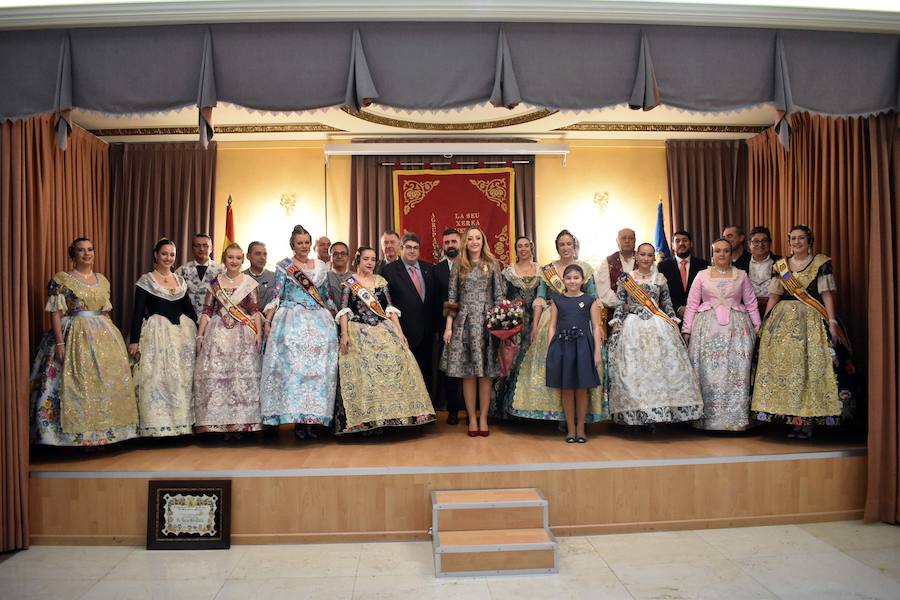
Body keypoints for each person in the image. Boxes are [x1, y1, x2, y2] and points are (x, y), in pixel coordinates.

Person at [30, 237, 139, 446]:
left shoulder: (102, 279)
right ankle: (73, 437)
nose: (87, 254)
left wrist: (113, 342)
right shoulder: (62, 279)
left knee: (105, 381)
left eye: (90, 249)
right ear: (73, 254)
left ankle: (107, 433)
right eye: (81, 250)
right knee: (76, 381)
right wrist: (60, 343)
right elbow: (55, 312)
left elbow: (106, 312)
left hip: (103, 334)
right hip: (74, 332)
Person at [751, 225, 847, 438]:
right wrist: (765, 323)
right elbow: (775, 295)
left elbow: (827, 294)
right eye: (793, 238)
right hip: (783, 320)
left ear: (809, 240)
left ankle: (809, 421)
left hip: (812, 320)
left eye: (801, 238)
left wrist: (832, 321)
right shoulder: (781, 265)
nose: (796, 242)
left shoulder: (821, 263)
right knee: (787, 372)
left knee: (808, 369)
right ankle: (792, 418)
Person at [335, 247, 435, 434]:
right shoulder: (349, 282)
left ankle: (397, 415)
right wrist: (345, 334)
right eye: (366, 259)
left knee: (398, 358)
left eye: (373, 259)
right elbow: (344, 310)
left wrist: (400, 332)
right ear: (358, 260)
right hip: (359, 329)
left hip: (382, 328)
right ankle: (367, 420)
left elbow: (389, 308)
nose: (370, 263)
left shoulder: (380, 281)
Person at [511, 230, 607, 424]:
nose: (565, 248)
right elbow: (539, 298)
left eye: (569, 244)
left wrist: (600, 326)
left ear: (574, 246)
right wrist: (536, 326)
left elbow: (593, 298)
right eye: (561, 244)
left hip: (581, 321)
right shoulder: (548, 270)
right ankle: (554, 414)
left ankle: (580, 418)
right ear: (557, 247)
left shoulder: (585, 268)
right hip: (553, 318)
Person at [608, 242, 703, 427]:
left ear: (653, 258)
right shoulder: (626, 279)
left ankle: (658, 415)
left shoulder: (660, 278)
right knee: (634, 371)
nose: (645, 258)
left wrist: (673, 322)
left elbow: (666, 304)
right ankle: (635, 414)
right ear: (637, 256)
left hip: (658, 326)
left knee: (660, 370)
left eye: (650, 255)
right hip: (633, 326)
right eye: (642, 254)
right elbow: (619, 304)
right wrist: (616, 323)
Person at [260, 225, 338, 438]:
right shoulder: (284, 266)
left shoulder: (321, 266)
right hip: (292, 319)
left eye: (306, 242)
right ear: (292, 245)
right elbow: (277, 296)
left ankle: (314, 420)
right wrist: (268, 321)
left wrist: (335, 319)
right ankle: (298, 420)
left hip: (319, 321)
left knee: (318, 374)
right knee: (295, 373)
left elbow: (327, 297)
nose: (303, 246)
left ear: (310, 243)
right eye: (299, 243)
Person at [682, 239, 761, 431]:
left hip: (737, 331)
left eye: (726, 251)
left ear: (731, 253)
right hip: (707, 331)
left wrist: (758, 327)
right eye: (718, 251)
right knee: (709, 373)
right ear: (712, 253)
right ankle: (708, 419)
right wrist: (687, 329)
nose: (722, 254)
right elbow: (692, 304)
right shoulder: (702, 275)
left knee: (736, 372)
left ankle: (735, 419)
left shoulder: (741, 275)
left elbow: (751, 303)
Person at [129, 238, 198, 437]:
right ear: (156, 255)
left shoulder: (180, 281)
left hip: (181, 336)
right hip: (156, 335)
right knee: (156, 378)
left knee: (181, 380)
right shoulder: (146, 280)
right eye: (164, 254)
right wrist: (134, 341)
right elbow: (137, 312)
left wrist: (201, 333)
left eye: (172, 254)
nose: (168, 258)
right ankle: (157, 427)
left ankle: (181, 426)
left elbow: (189, 311)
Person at [193, 243, 264, 435]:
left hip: (243, 334)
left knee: (240, 379)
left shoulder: (249, 283)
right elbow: (207, 312)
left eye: (238, 258)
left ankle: (241, 423)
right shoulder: (215, 283)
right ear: (225, 259)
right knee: (219, 378)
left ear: (243, 260)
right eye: (230, 257)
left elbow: (255, 311)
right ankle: (218, 424)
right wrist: (200, 335)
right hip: (218, 335)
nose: (234, 261)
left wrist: (258, 333)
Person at [441, 226, 506, 436]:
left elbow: (499, 296)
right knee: (468, 374)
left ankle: (484, 418)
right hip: (465, 323)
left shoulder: (493, 264)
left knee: (486, 374)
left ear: (483, 240)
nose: (475, 241)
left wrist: (501, 324)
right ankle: (471, 418)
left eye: (478, 238)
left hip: (487, 323)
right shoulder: (458, 265)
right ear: (465, 242)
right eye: (470, 238)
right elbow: (452, 299)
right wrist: (449, 327)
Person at [546, 264, 604, 443]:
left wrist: (597, 352)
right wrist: (551, 349)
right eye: (569, 278)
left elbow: (596, 327)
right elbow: (552, 326)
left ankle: (581, 429)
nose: (572, 281)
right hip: (563, 347)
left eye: (576, 277)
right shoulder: (557, 300)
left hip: (583, 347)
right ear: (563, 280)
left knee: (581, 389)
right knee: (567, 390)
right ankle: (570, 429)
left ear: (582, 280)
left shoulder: (589, 300)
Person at [381, 232, 438, 395]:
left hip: (427, 332)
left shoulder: (429, 269)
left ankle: (428, 410)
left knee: (427, 371)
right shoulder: (389, 271)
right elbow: (386, 303)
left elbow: (433, 300)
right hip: (402, 331)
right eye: (408, 247)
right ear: (401, 248)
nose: (412, 251)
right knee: (405, 372)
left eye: (416, 248)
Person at [492, 235, 540, 419]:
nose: (523, 249)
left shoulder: (541, 272)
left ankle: (532, 410)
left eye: (526, 245)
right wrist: (512, 305)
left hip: (535, 322)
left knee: (533, 362)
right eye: (519, 246)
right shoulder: (508, 272)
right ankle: (507, 411)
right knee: (511, 363)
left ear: (531, 248)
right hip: (515, 324)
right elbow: (501, 297)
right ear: (515, 249)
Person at [433, 228, 464, 424]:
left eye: (454, 241)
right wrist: (441, 327)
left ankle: (471, 411)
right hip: (447, 327)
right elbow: (436, 301)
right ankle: (452, 410)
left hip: (472, 324)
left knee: (472, 368)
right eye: (447, 242)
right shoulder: (436, 270)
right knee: (450, 371)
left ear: (460, 243)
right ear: (442, 246)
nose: (450, 245)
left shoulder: (471, 265)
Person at [657, 230, 709, 318]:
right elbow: (662, 293)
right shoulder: (663, 266)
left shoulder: (704, 265)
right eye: (677, 241)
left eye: (685, 240)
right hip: (672, 316)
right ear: (672, 245)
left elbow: (707, 291)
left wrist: (692, 308)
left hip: (699, 314)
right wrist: (678, 308)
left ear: (691, 244)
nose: (681, 243)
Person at [176, 233, 224, 316]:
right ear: (192, 248)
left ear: (211, 248)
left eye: (205, 246)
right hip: (189, 320)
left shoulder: (221, 271)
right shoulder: (181, 271)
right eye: (197, 246)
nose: (201, 249)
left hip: (214, 320)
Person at [746, 226, 782, 316]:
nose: (760, 245)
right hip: (747, 309)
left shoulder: (781, 262)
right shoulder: (741, 264)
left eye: (764, 241)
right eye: (756, 241)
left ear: (770, 243)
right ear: (749, 244)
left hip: (775, 309)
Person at [596, 228, 636, 309]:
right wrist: (622, 305)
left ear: (635, 241)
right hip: (615, 313)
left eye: (630, 238)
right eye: (623, 238)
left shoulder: (644, 259)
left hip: (642, 313)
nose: (627, 241)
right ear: (617, 241)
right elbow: (603, 292)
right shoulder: (608, 262)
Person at [244, 241, 276, 311]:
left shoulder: (274, 277)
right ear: (248, 256)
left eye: (265, 254)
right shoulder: (241, 277)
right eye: (258, 254)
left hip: (270, 318)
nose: (262, 258)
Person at [326, 241, 351, 308]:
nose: (339, 256)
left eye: (343, 253)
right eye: (335, 254)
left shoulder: (355, 277)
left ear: (348, 257)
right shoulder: (325, 277)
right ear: (330, 257)